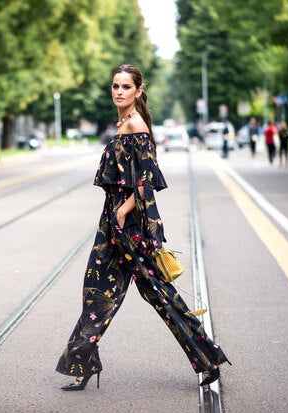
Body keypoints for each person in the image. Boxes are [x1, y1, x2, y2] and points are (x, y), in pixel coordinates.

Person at [56, 64, 229, 392]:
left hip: (131, 228)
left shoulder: (136, 126)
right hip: (113, 223)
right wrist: (115, 215)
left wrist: (123, 211)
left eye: (125, 87)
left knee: (160, 295)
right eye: (115, 86)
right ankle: (83, 364)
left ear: (137, 91)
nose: (118, 91)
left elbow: (147, 179)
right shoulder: (124, 124)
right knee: (97, 293)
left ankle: (208, 357)